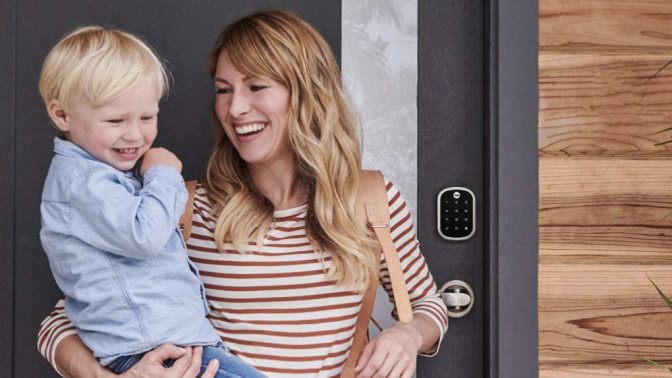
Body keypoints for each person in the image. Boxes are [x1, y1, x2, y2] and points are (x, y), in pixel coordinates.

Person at [38, 11, 448, 378]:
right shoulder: (182, 206)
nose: (235, 109)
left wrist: (408, 335)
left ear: (306, 92)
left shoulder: (371, 200)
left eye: (256, 86)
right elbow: (64, 318)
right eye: (223, 89)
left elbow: (429, 303)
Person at [37, 26, 267, 378]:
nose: (135, 134)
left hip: (174, 345)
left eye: (147, 117)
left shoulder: (104, 178)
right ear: (62, 115)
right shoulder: (84, 183)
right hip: (155, 351)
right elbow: (145, 236)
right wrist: (162, 174)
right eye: (116, 120)